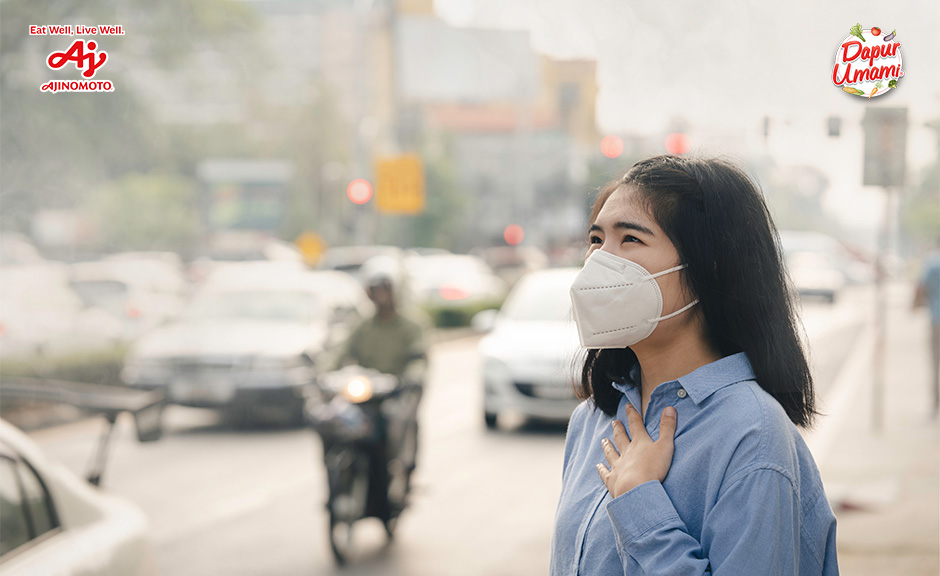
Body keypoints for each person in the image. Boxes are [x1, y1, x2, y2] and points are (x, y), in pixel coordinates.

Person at [550, 155, 839, 575]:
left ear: (710, 268)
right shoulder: (593, 419)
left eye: (630, 239)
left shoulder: (753, 436)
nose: (599, 261)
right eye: (597, 240)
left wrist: (640, 500)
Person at [336, 256, 427, 516]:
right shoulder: (362, 327)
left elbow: (419, 357)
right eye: (375, 290)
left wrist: (412, 376)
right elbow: (341, 352)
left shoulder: (410, 326)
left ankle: (403, 474)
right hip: (366, 393)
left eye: (385, 289)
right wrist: (323, 372)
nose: (381, 296)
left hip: (396, 393)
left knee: (401, 421)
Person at [913, 243, 940, 419]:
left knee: (935, 364)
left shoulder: (932, 262)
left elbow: (920, 288)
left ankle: (935, 406)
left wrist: (915, 306)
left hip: (936, 321)